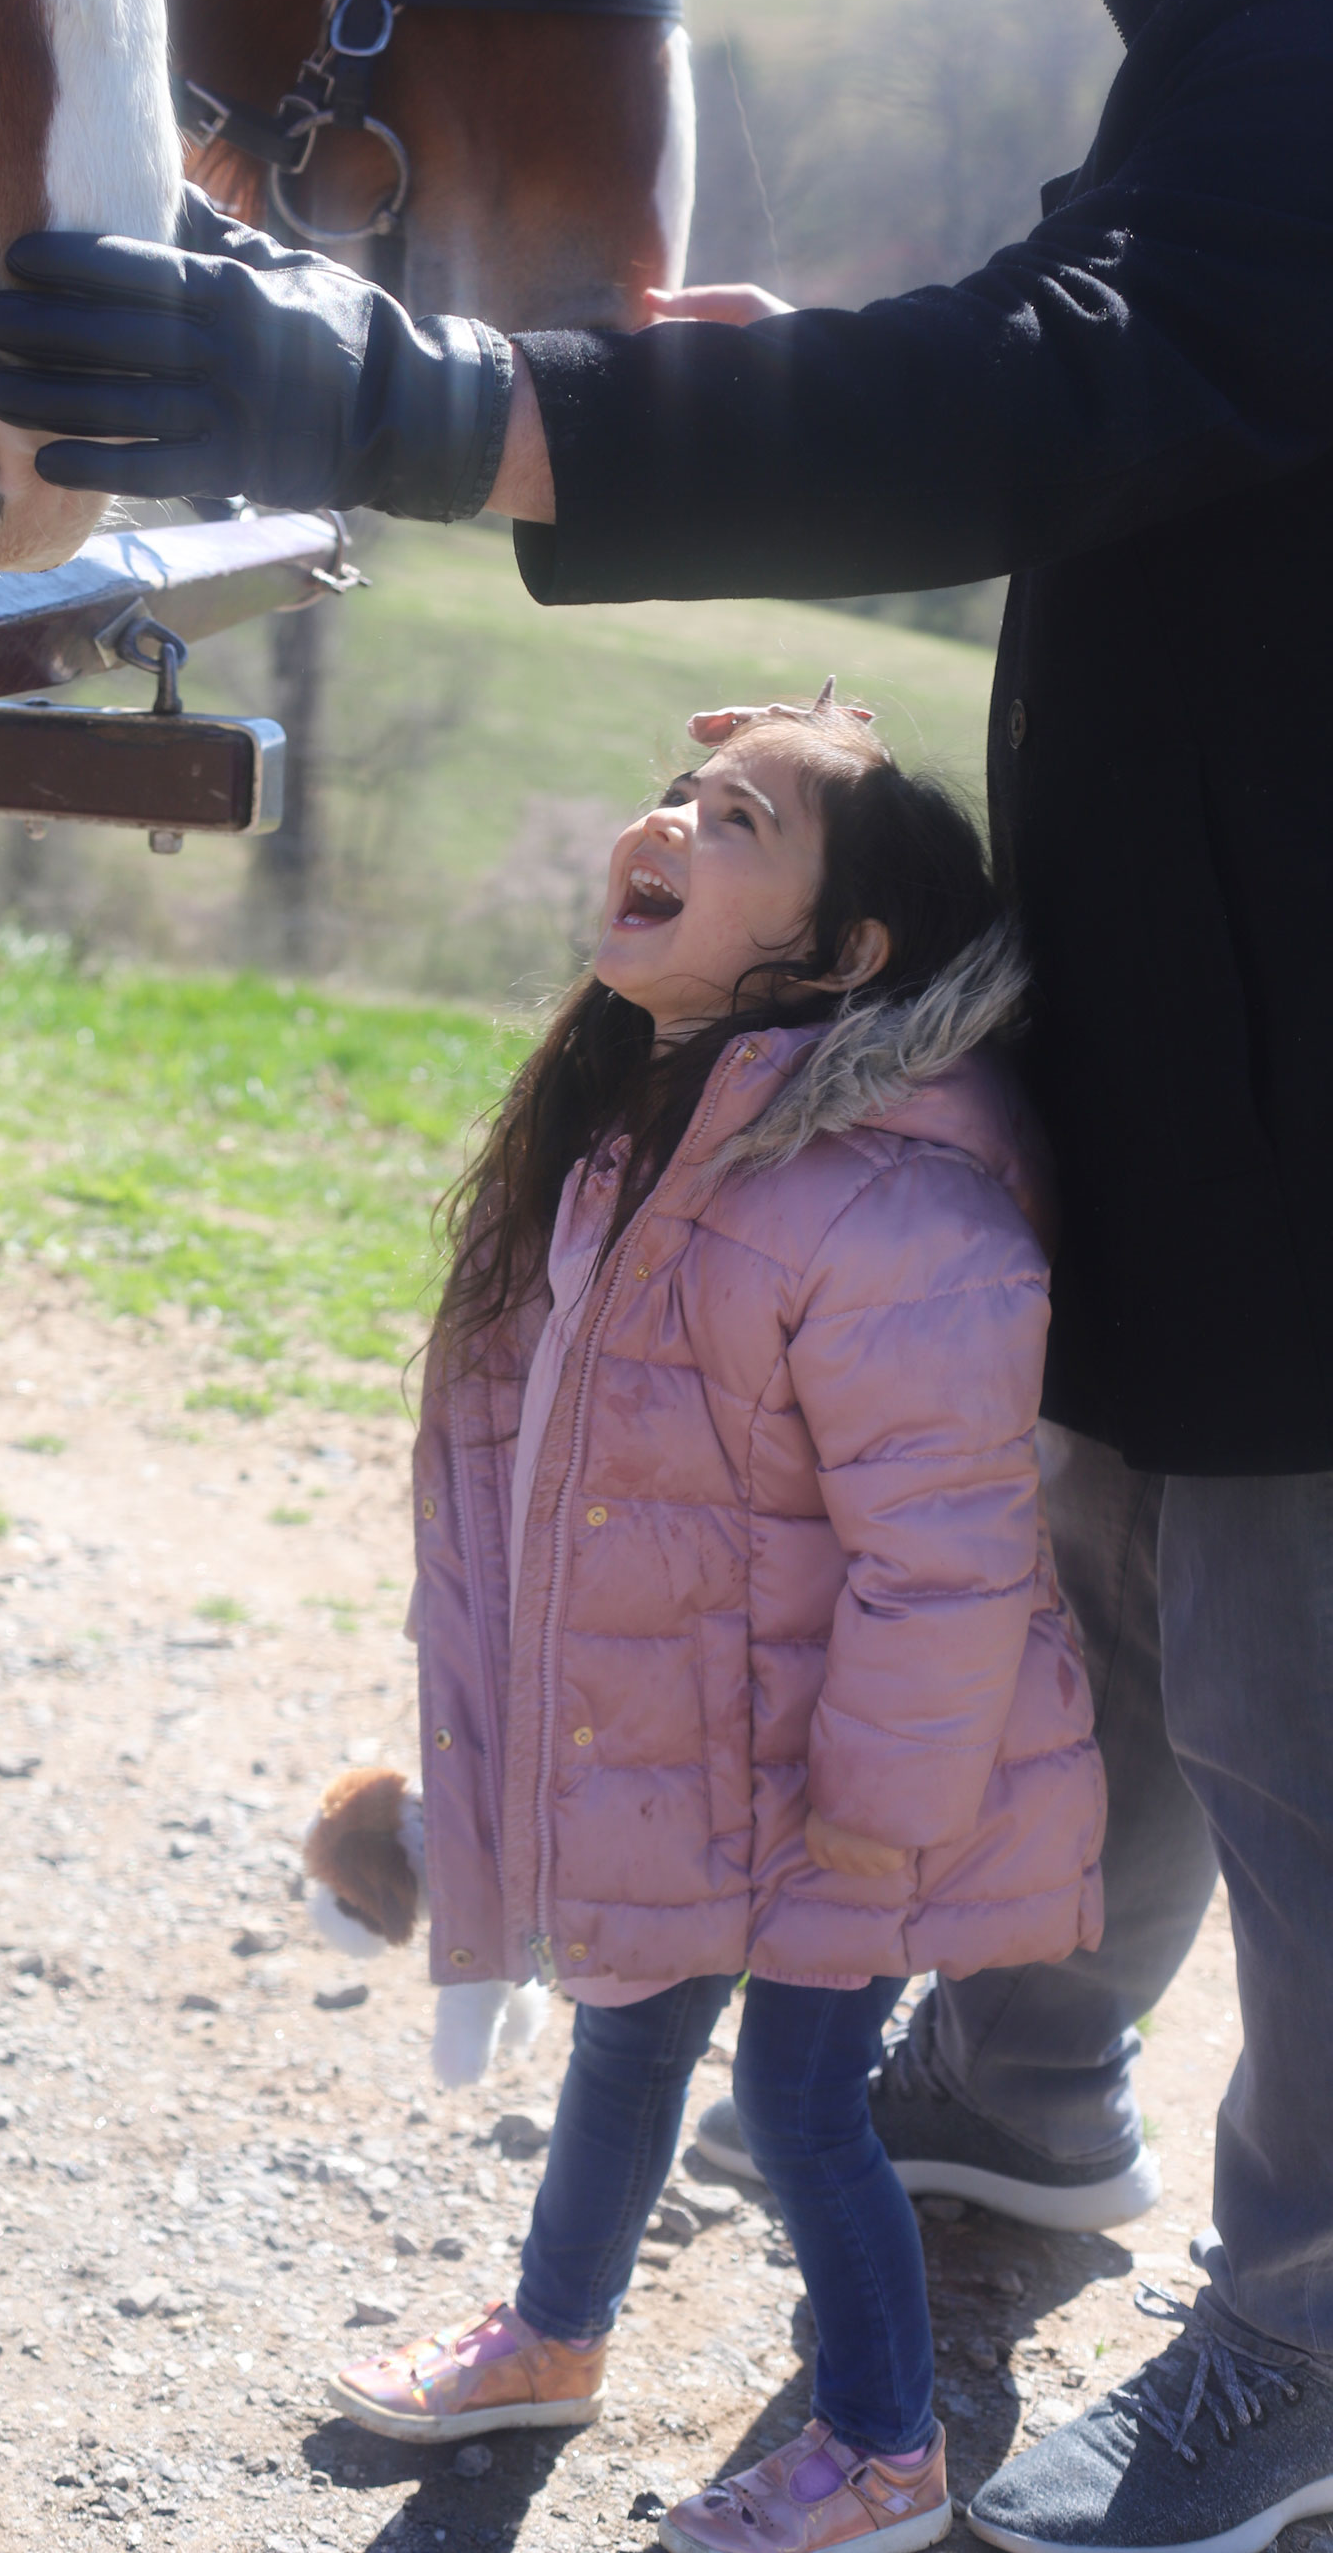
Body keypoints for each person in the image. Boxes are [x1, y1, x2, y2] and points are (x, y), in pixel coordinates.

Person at [0, 0, 1333, 2546]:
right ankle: (995, 2185)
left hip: (1308, 1147)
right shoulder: (1241, 22)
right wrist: (739, 394)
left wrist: (450, 409)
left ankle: (1308, 2352)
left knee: (1278, 1730)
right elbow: (1106, 377)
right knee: (1062, 1691)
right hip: (1192, 1090)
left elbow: (1072, 384)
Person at [318, 696, 1103, 2553]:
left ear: (844, 955)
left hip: (860, 1777)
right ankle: (555, 2339)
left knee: (803, 2099)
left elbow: (952, 1553)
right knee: (626, 2031)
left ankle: (886, 2448)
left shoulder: (895, 1205)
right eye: (673, 793)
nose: (664, 821)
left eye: (735, 815)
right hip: (698, 1742)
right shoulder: (649, 1145)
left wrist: (888, 1806)